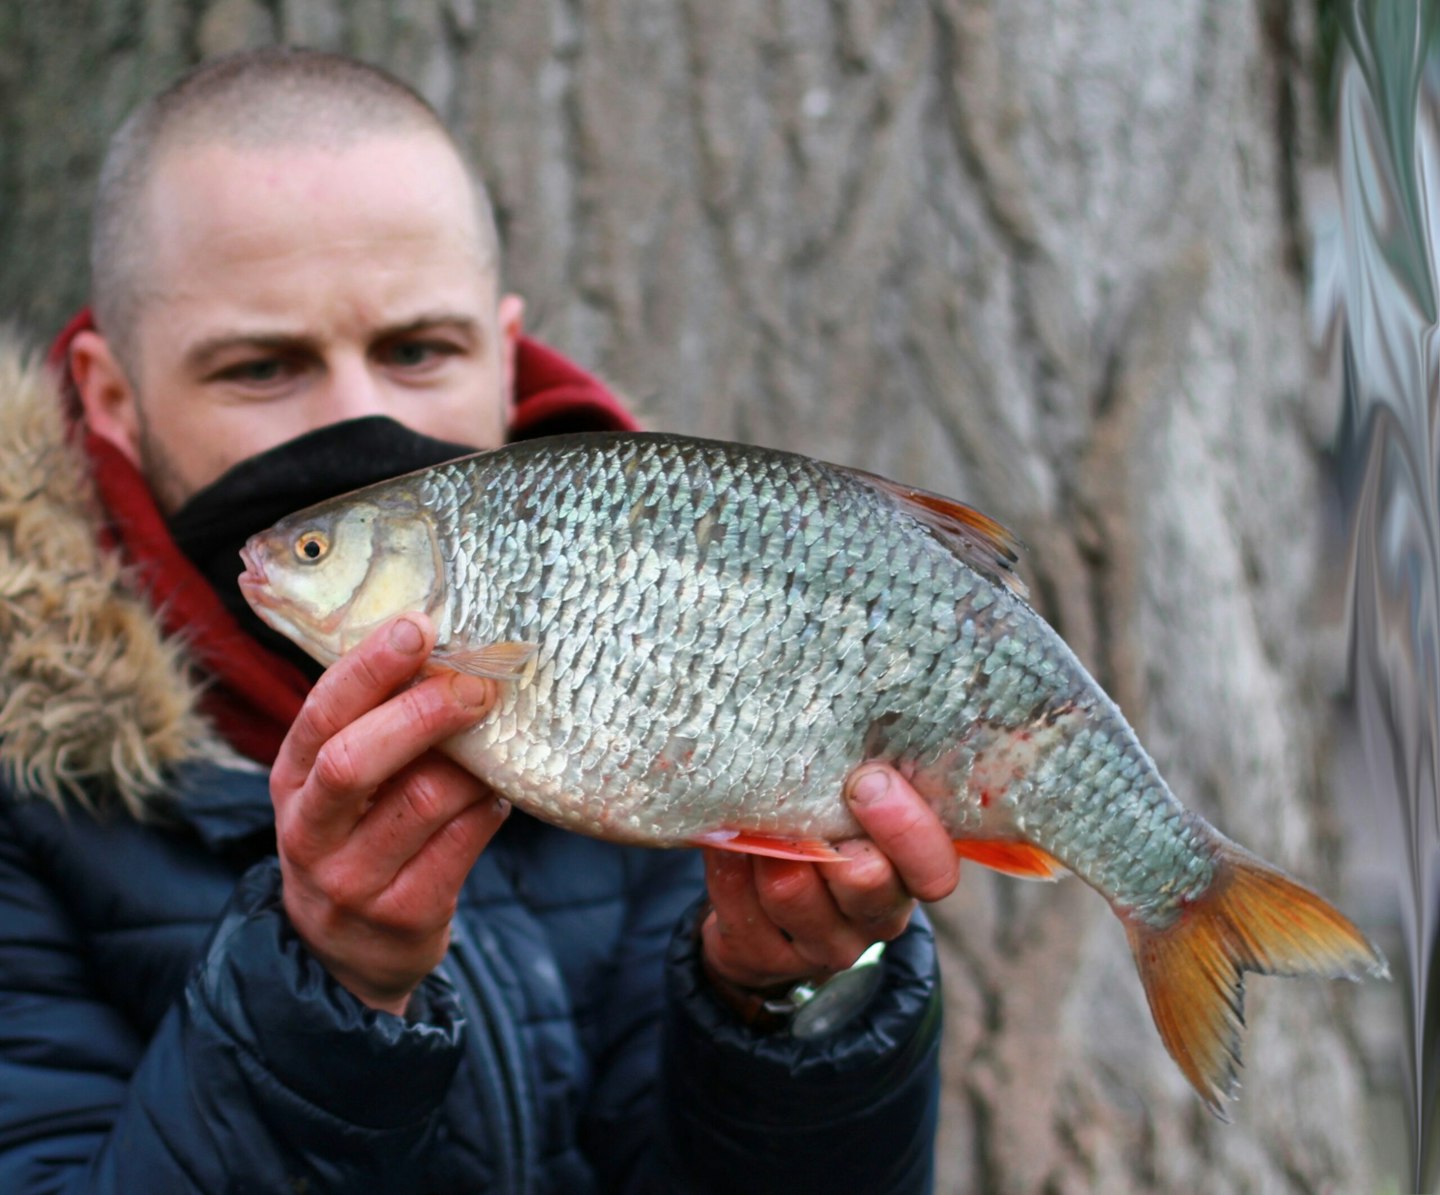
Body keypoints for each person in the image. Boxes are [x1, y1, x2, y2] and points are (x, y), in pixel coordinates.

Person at [0, 47, 959, 1193]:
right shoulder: (28, 804)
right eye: (262, 367)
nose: (358, 417)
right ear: (111, 395)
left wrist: (787, 999)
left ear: (505, 356)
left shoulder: (665, 641)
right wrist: (325, 982)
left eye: (418, 350)